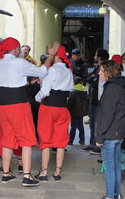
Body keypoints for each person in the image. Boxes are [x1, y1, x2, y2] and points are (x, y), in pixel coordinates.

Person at [0, 37, 55, 187]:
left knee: (8, 140)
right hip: (18, 104)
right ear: (14, 49)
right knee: (27, 139)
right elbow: (42, 71)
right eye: (18, 49)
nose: (20, 51)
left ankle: (6, 173)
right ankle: (27, 176)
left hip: (2, 105)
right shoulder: (20, 63)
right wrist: (51, 56)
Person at [34, 45, 73, 182]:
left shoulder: (52, 71)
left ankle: (43, 173)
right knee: (61, 142)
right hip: (63, 109)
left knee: (45, 141)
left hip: (48, 108)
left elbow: (45, 91)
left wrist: (36, 98)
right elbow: (70, 90)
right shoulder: (69, 72)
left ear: (56, 56)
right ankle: (57, 172)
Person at [96, 60, 125, 199]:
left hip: (110, 134)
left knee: (110, 167)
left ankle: (110, 196)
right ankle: (117, 194)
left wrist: (99, 136)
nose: (99, 73)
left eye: (101, 70)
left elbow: (107, 114)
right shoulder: (122, 86)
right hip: (119, 132)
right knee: (115, 165)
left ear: (108, 72)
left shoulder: (111, 88)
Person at [81, 48, 109, 154]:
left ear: (100, 57)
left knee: (97, 123)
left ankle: (96, 144)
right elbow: (89, 78)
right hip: (94, 99)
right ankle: (93, 143)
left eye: (96, 55)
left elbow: (95, 81)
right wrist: (92, 78)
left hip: (98, 100)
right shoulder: (97, 68)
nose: (94, 57)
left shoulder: (103, 68)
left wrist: (93, 79)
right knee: (93, 123)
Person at [68, 77, 89, 145]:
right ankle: (82, 140)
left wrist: (67, 109)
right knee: (80, 126)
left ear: (74, 83)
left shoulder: (73, 91)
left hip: (74, 111)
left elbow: (70, 102)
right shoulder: (84, 90)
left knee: (73, 127)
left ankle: (71, 140)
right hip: (81, 112)